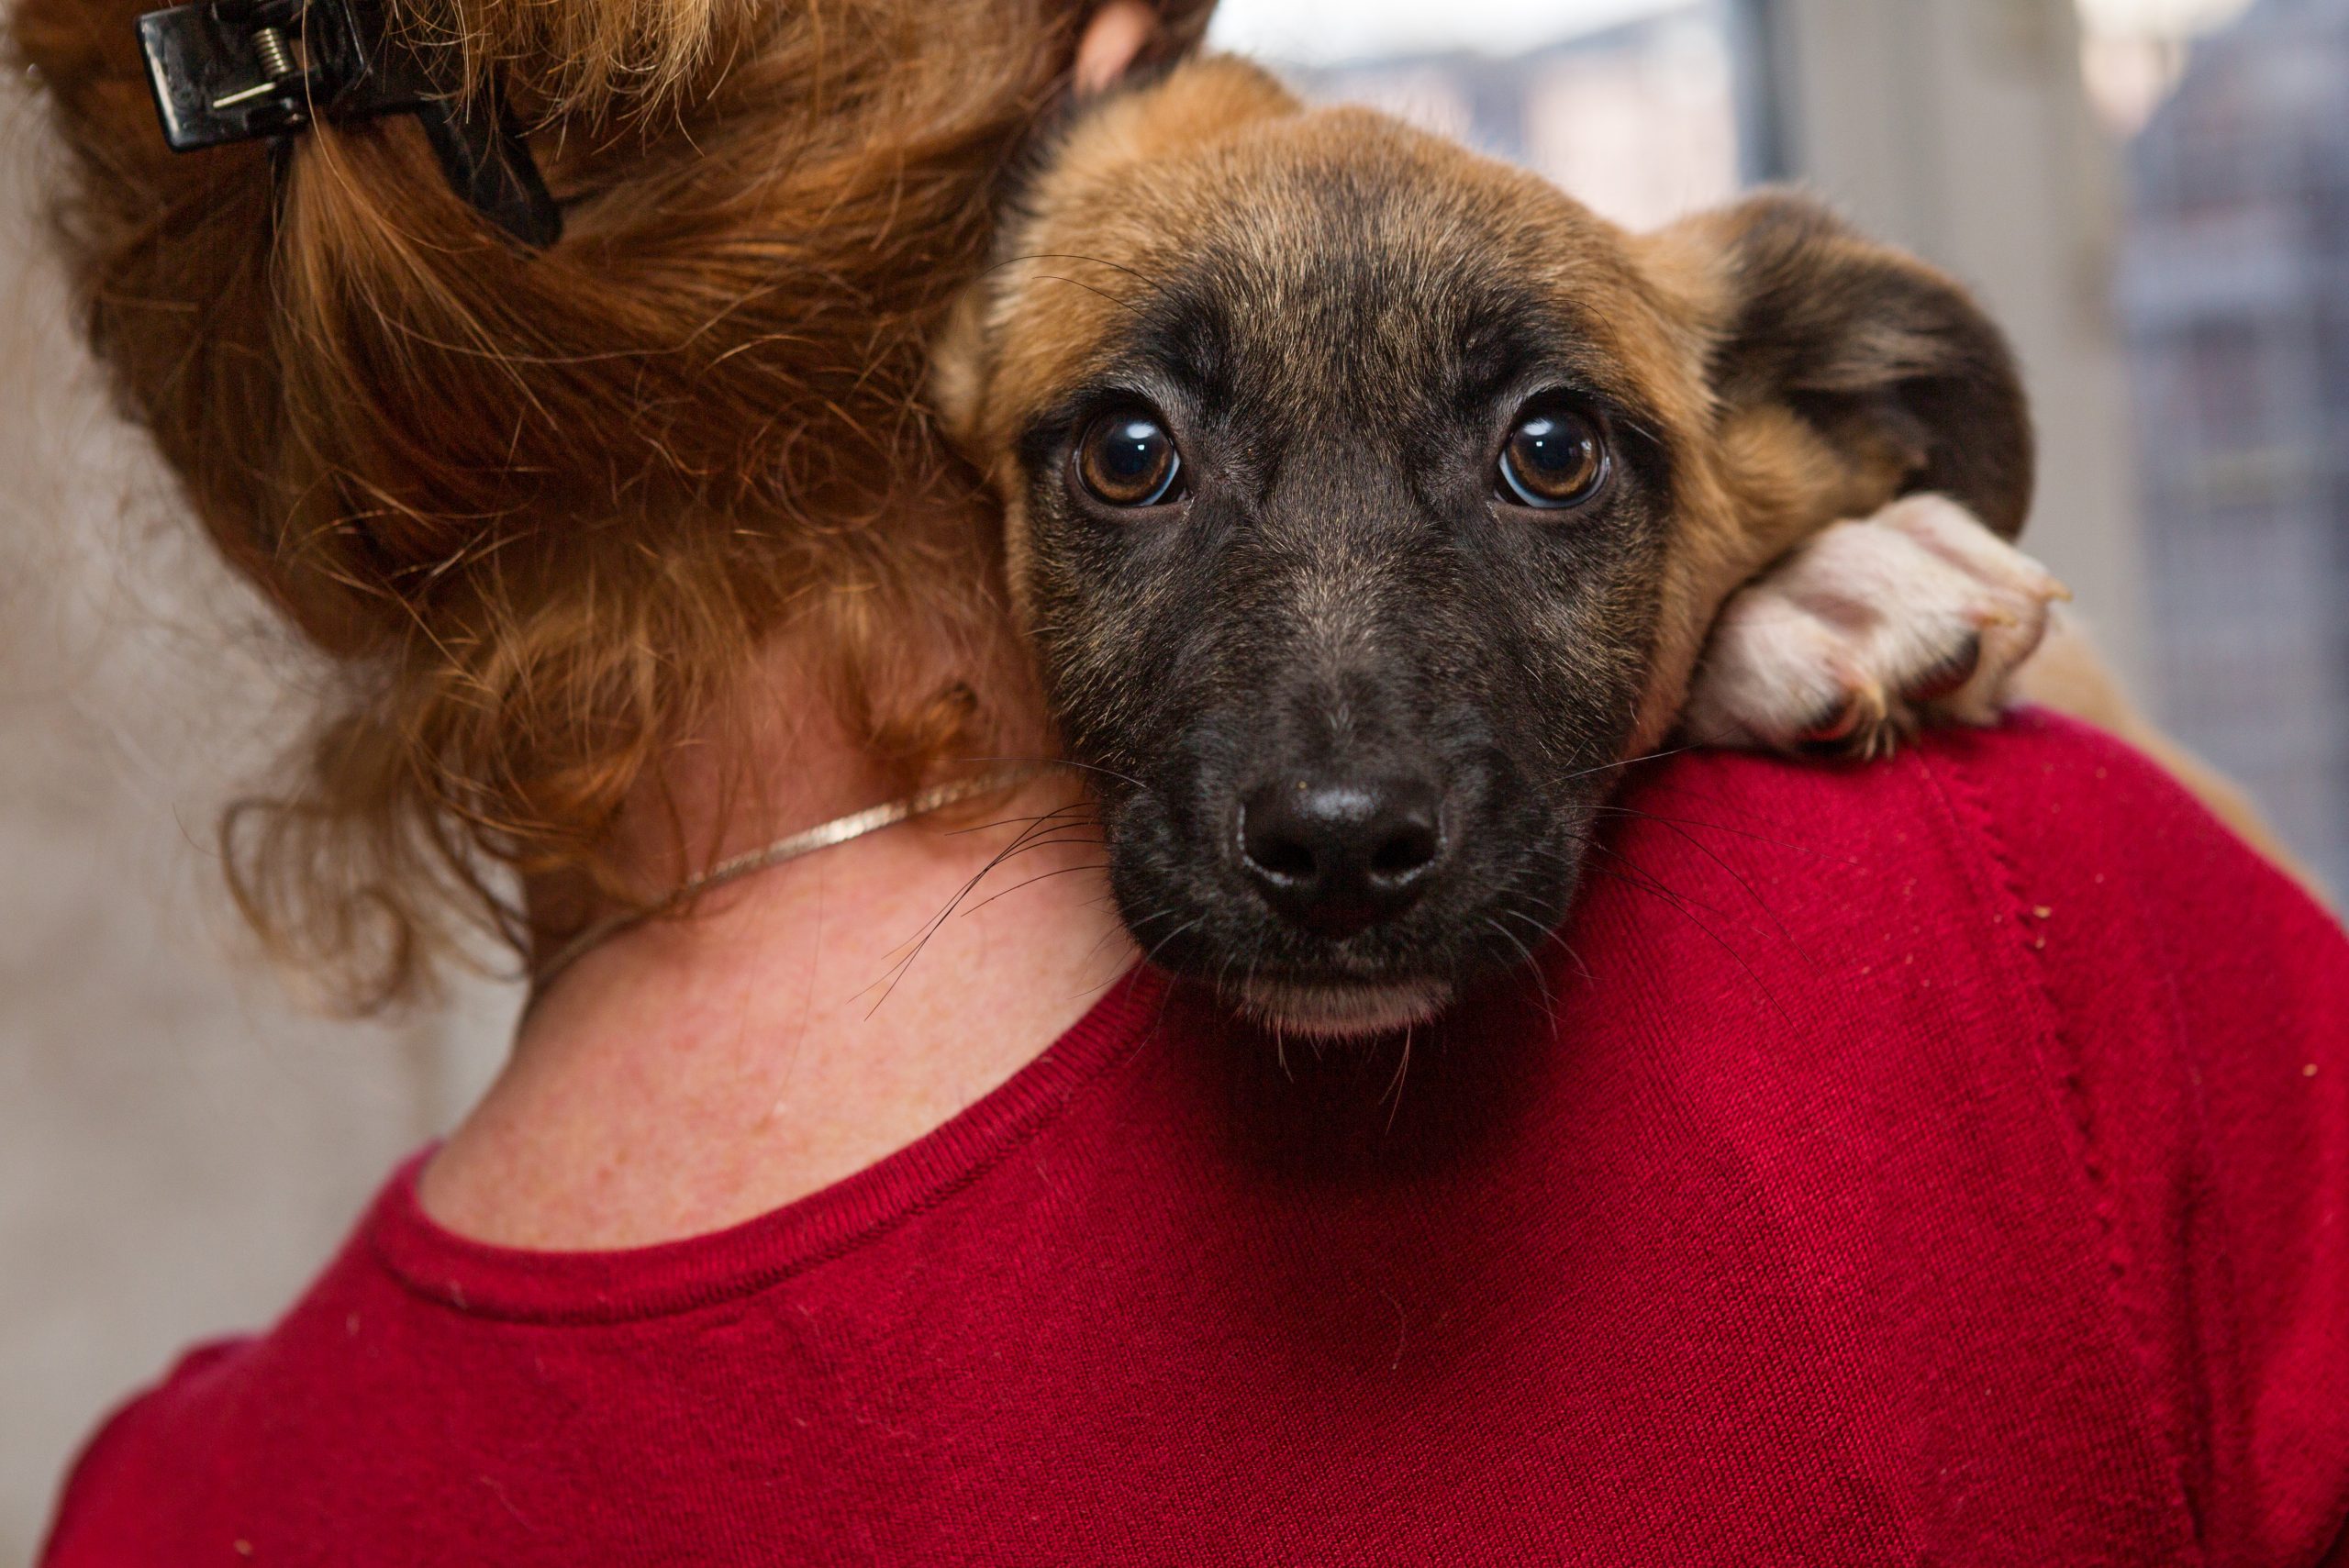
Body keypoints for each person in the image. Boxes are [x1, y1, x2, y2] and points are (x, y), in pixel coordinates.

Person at [20, 0, 2349, 1561]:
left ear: (261, 438)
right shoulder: (2013, 952)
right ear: (1106, 73)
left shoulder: (166, 1521)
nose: (1335, 808)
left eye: (1548, 457)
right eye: (1131, 452)